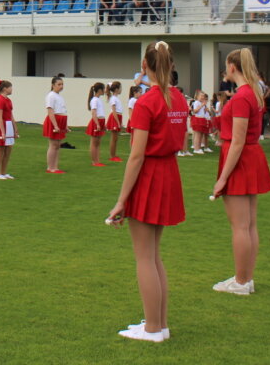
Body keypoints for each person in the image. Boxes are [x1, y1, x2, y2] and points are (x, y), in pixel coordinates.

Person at [107, 41, 187, 342]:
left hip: (151, 174)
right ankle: (158, 323)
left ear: (145, 65)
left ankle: (153, 328)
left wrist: (121, 200)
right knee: (154, 256)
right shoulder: (178, 98)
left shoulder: (147, 102)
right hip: (168, 172)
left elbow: (137, 155)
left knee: (144, 257)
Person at [212, 48, 270, 295]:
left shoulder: (241, 97)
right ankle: (244, 278)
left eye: (227, 66)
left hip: (240, 158)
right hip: (250, 156)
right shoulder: (252, 94)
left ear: (233, 67)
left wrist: (223, 178)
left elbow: (237, 140)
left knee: (240, 225)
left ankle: (241, 280)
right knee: (248, 224)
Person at [0, 79, 17, 179]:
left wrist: (15, 128)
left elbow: (11, 115)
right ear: (5, 89)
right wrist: (3, 132)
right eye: (11, 87)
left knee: (8, 149)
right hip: (1, 126)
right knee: (1, 150)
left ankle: (3, 172)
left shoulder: (8, 100)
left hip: (9, 125)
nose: (12, 89)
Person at [43, 76, 69, 173]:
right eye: (59, 84)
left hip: (61, 121)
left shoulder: (60, 96)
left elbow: (63, 111)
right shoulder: (51, 95)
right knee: (53, 145)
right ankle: (50, 167)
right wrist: (55, 125)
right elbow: (50, 111)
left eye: (62, 84)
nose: (61, 86)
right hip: (54, 121)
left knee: (58, 145)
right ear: (53, 85)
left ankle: (55, 167)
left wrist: (65, 125)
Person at [85, 82, 107, 166]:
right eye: (103, 89)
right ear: (100, 90)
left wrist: (103, 124)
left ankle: (97, 160)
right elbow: (93, 113)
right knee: (94, 143)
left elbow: (100, 112)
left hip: (100, 121)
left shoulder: (98, 100)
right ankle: (94, 161)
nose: (104, 91)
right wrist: (97, 124)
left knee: (98, 143)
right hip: (96, 121)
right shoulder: (94, 100)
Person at [106, 81, 125, 162]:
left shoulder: (116, 98)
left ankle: (114, 154)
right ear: (117, 89)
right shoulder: (113, 98)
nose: (121, 90)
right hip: (115, 117)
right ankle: (112, 156)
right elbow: (114, 111)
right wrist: (117, 122)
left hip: (118, 117)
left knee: (116, 138)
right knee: (114, 138)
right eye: (120, 88)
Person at [189, 91, 211, 155]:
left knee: (200, 135)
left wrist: (205, 109)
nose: (202, 97)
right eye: (201, 96)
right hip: (197, 119)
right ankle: (196, 149)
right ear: (197, 96)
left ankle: (198, 147)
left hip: (202, 118)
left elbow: (202, 112)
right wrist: (201, 105)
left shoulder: (201, 103)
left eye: (203, 96)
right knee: (197, 134)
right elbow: (195, 111)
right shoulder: (196, 102)